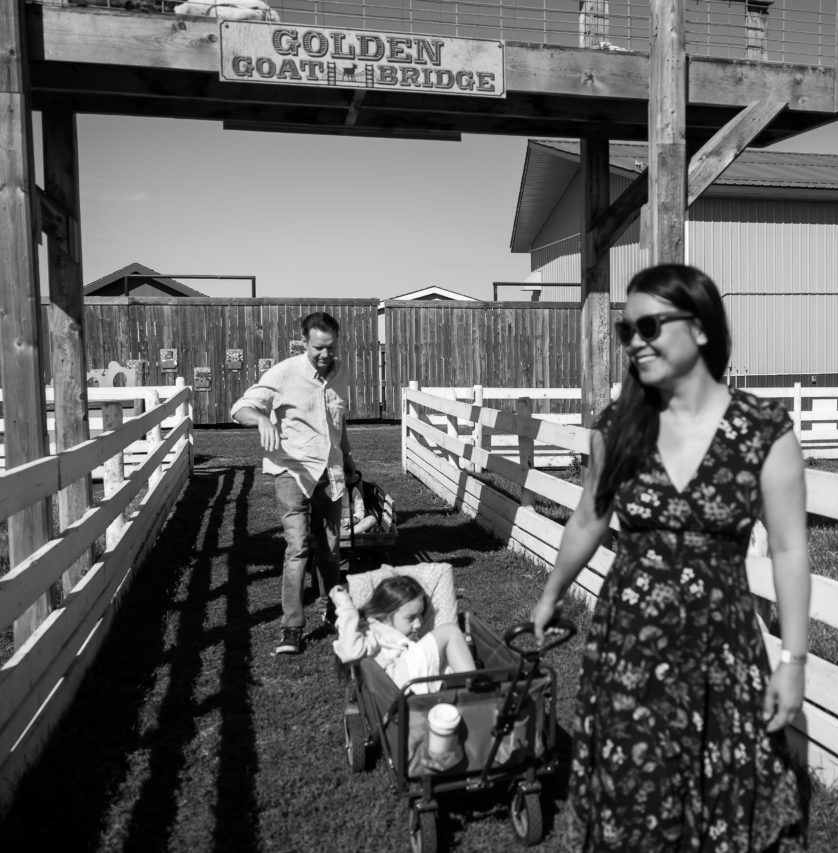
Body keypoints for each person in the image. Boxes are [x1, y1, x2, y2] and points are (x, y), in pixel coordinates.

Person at [531, 264, 811, 851]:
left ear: (702, 327)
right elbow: (589, 516)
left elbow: (788, 549)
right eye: (626, 329)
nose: (635, 341)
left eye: (650, 325)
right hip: (630, 645)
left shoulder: (764, 431)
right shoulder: (619, 426)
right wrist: (553, 592)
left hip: (721, 650)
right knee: (633, 797)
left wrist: (792, 659)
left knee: (719, 795)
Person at [232, 311, 357, 656]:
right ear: (305, 342)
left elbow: (338, 423)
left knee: (331, 551)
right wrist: (261, 420)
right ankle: (292, 628)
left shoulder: (342, 371)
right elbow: (240, 407)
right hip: (291, 472)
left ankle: (336, 612)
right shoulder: (284, 373)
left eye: (330, 347)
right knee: (298, 547)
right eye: (318, 348)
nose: (324, 355)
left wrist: (349, 461)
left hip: (329, 473)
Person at [328, 576, 475, 693]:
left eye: (421, 615)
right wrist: (346, 607)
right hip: (397, 681)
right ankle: (476, 688)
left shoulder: (400, 635)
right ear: (385, 615)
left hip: (407, 679)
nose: (419, 624)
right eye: (410, 618)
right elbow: (349, 651)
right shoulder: (372, 630)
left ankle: (464, 691)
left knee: (448, 661)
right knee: (450, 631)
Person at [340, 468, 379, 538]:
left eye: (346, 476)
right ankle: (348, 534)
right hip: (334, 524)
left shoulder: (353, 490)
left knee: (372, 519)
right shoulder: (328, 491)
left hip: (351, 524)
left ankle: (346, 534)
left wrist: (353, 520)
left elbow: (360, 509)